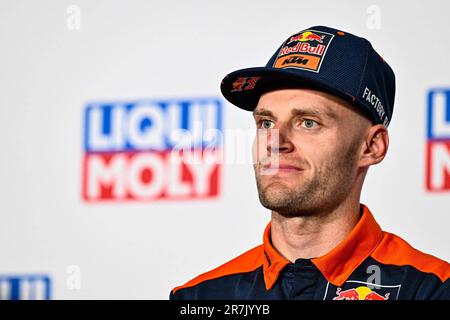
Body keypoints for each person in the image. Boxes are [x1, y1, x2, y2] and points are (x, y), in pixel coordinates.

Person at [170, 26, 450, 300]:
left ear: (372, 146)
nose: (276, 142)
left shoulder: (432, 289)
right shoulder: (199, 295)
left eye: (308, 122)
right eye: (266, 122)